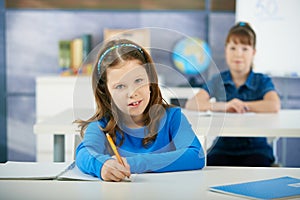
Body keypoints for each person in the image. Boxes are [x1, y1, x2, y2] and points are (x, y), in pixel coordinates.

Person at [75, 39, 205, 181]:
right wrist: (102, 166)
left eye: (138, 81)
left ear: (150, 80)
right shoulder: (102, 125)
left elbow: (195, 155)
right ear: (105, 92)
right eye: (120, 86)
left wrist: (134, 163)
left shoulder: (173, 117)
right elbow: (84, 154)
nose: (132, 93)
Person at [185, 22, 281, 167]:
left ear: (253, 52)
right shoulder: (218, 80)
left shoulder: (262, 81)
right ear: (226, 51)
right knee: (206, 171)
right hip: (223, 148)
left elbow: (273, 105)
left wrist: (243, 105)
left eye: (244, 48)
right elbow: (192, 104)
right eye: (233, 48)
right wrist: (224, 106)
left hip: (256, 149)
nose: (238, 54)